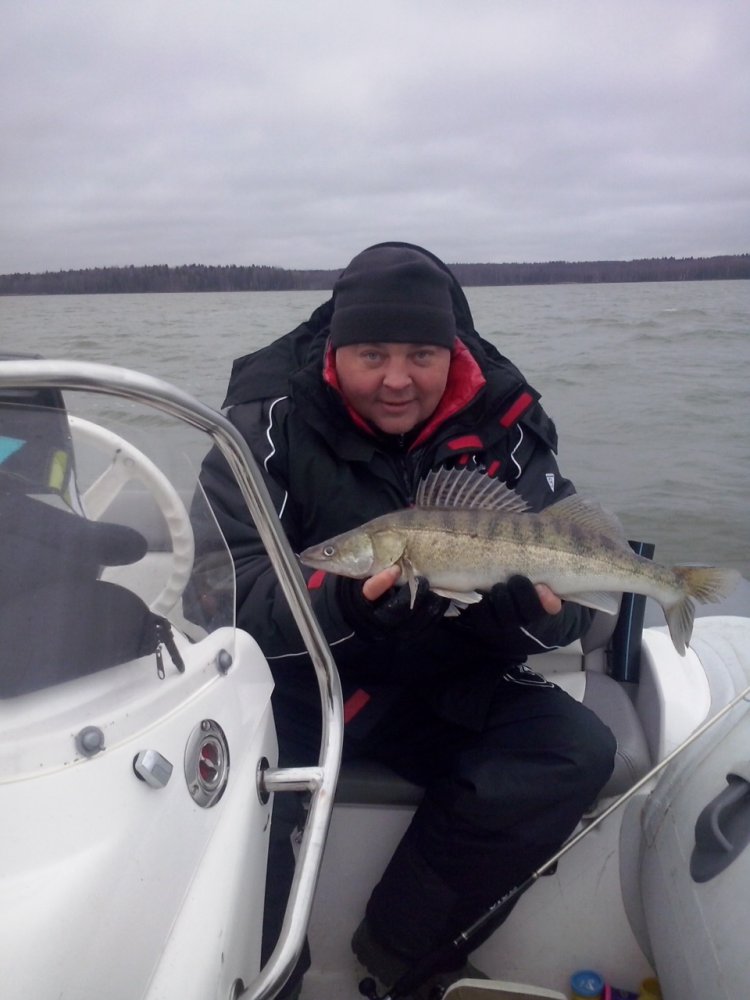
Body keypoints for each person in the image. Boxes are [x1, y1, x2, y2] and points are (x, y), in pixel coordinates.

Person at [199, 242, 617, 999]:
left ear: (451, 352)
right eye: (373, 355)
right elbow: (220, 590)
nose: (397, 379)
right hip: (307, 682)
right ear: (335, 352)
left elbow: (569, 597)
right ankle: (264, 978)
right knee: (235, 792)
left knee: (569, 750)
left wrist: (517, 622)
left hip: (446, 675)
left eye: (421, 355)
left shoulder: (509, 424)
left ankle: (403, 951)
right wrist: (340, 606)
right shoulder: (266, 423)